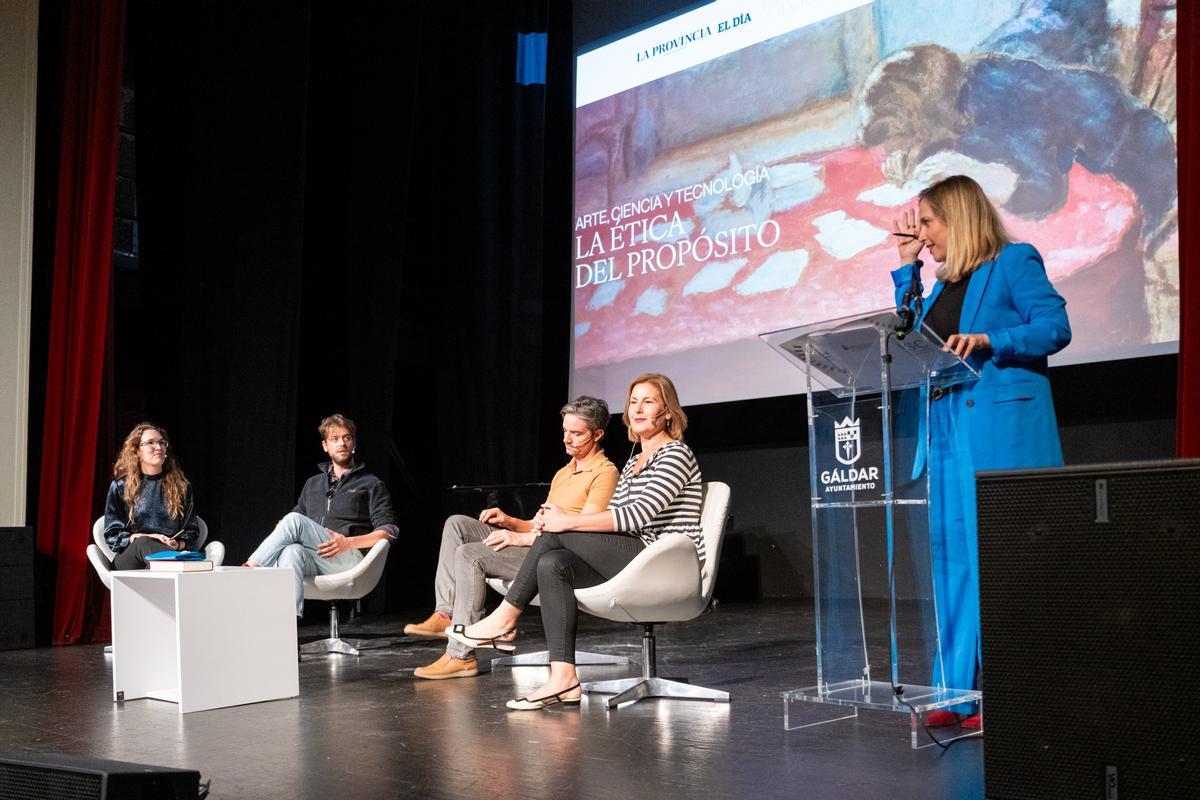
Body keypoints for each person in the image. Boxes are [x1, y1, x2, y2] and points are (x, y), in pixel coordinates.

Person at [891, 174, 1071, 726]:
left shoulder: (1014, 262)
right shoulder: (939, 286)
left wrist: (995, 339)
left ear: (959, 219)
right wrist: (907, 271)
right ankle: (954, 693)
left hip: (996, 430)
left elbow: (1055, 327)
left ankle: (1012, 693)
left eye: (928, 224)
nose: (922, 236)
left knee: (996, 564)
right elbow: (910, 339)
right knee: (951, 564)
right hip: (944, 429)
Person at [446, 373, 703, 710]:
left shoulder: (675, 454)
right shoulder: (633, 461)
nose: (638, 408)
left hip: (664, 560)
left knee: (559, 529)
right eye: (633, 401)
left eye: (649, 401)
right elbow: (616, 517)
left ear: (667, 412)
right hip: (635, 554)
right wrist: (552, 523)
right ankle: (564, 677)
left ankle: (505, 619)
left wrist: (564, 522)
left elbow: (636, 516)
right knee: (554, 565)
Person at [406, 396, 619, 680]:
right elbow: (538, 525)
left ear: (598, 434)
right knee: (457, 524)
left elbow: (582, 530)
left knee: (471, 555)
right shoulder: (564, 472)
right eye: (565, 431)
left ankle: (460, 656)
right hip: (539, 542)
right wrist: (509, 521)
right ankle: (444, 614)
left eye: (576, 433)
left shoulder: (605, 473)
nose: (567, 439)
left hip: (555, 558)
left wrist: (519, 539)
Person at [245, 414, 398, 617]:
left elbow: (389, 532)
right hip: (317, 559)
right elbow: (293, 519)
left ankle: (248, 572)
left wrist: (348, 543)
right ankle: (287, 622)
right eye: (335, 439)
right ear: (325, 446)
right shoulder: (312, 484)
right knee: (292, 551)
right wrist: (283, 525)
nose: (342, 443)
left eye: (347, 437)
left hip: (350, 559)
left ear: (354, 443)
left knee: (294, 521)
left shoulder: (371, 484)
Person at [105, 423, 199, 569]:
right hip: (130, 560)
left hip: (167, 554)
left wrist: (178, 543)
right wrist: (143, 537)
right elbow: (112, 535)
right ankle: (179, 569)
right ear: (137, 451)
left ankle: (171, 567)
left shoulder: (182, 486)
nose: (159, 447)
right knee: (144, 543)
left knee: (157, 562)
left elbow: (191, 531)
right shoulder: (120, 486)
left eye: (162, 443)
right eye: (150, 443)